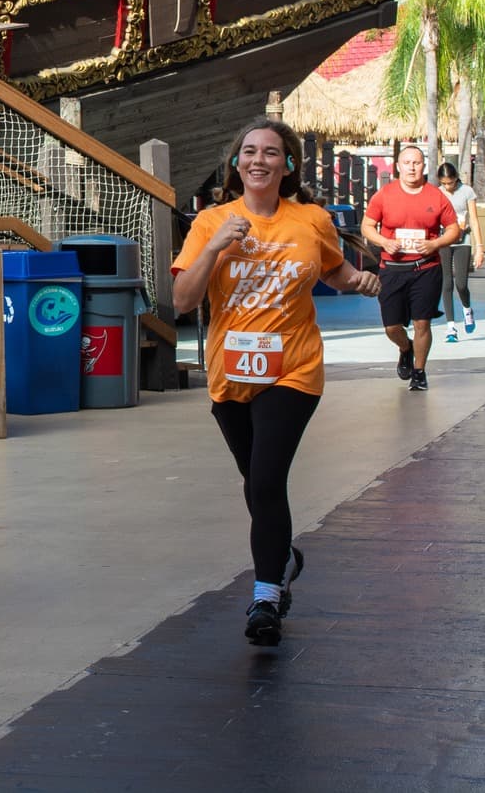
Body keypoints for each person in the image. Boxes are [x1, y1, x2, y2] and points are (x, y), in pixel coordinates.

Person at [172, 116, 379, 647]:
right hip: (231, 375)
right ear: (235, 163)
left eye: (270, 153)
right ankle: (282, 556)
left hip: (294, 369)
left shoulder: (310, 219)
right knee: (256, 483)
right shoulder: (210, 222)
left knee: (266, 480)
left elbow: (333, 270)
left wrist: (356, 280)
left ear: (287, 166)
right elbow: (182, 301)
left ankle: (266, 595)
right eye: (249, 152)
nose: (258, 160)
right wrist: (216, 245)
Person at [360, 144, 460, 390]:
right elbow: (367, 226)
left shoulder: (435, 196)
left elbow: (454, 229)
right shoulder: (384, 195)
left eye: (417, 163)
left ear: (424, 166)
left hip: (425, 268)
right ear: (398, 167)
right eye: (407, 163)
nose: (412, 168)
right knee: (392, 327)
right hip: (392, 269)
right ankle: (406, 348)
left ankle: (419, 370)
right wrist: (385, 242)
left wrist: (434, 243)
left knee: (422, 322)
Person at [436, 163, 482, 343]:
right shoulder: (437, 193)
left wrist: (480, 248)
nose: (449, 186)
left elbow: (475, 220)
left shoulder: (467, 191)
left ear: (456, 178)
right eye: (445, 183)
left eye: (451, 182)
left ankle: (467, 309)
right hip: (444, 240)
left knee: (461, 284)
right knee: (446, 282)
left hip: (464, 239)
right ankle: (451, 327)